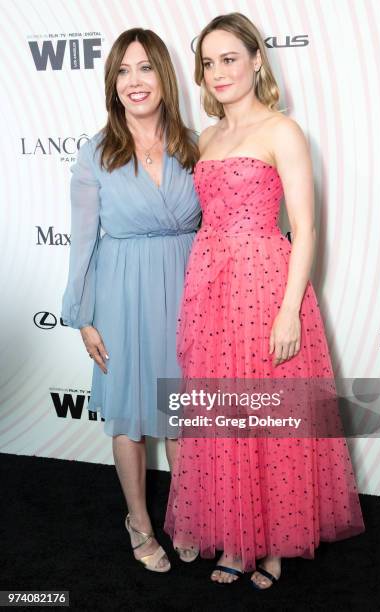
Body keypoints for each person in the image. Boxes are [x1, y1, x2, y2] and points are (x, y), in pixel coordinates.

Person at [164, 13, 365, 588]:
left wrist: (287, 310)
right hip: (211, 286)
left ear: (256, 61)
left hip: (264, 285)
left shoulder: (283, 131)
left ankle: (275, 543)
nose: (218, 71)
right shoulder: (206, 137)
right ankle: (236, 537)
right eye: (208, 62)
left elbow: (304, 227)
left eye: (230, 58)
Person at [61, 27, 201, 573]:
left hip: (186, 286)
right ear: (111, 82)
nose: (134, 81)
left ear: (163, 76)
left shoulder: (196, 144)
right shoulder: (95, 153)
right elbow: (82, 241)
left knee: (179, 414)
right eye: (123, 70)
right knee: (127, 417)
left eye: (145, 68)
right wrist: (84, 316)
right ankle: (139, 521)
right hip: (120, 291)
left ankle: (187, 515)